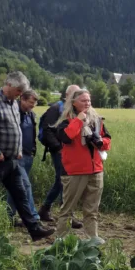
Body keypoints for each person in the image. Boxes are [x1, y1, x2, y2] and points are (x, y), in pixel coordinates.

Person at [0, 72, 54, 241]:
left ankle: (34, 229)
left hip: (12, 160)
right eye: (19, 90)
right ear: (9, 85)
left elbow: (16, 130)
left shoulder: (13, 103)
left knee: (21, 194)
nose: (20, 94)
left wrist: (18, 150)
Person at [53, 88, 111, 243]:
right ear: (73, 102)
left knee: (92, 210)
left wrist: (100, 142)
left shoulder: (97, 121)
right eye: (83, 100)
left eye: (89, 100)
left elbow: (107, 141)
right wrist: (79, 120)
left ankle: (93, 240)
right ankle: (60, 242)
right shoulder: (65, 121)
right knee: (67, 209)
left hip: (96, 169)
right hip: (74, 171)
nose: (87, 103)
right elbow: (65, 137)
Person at [37, 84, 82, 229]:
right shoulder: (56, 109)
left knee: (62, 181)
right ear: (67, 94)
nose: (78, 97)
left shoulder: (73, 111)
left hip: (70, 152)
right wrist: (58, 148)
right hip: (60, 152)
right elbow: (47, 130)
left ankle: (45, 208)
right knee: (65, 181)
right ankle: (67, 215)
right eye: (75, 94)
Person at [6, 89, 40, 224]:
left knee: (16, 187)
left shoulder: (30, 115)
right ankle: (33, 217)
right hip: (15, 156)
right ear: (23, 99)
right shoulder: (13, 114)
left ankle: (8, 217)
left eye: (34, 103)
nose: (33, 106)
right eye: (31, 102)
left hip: (28, 156)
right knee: (26, 185)